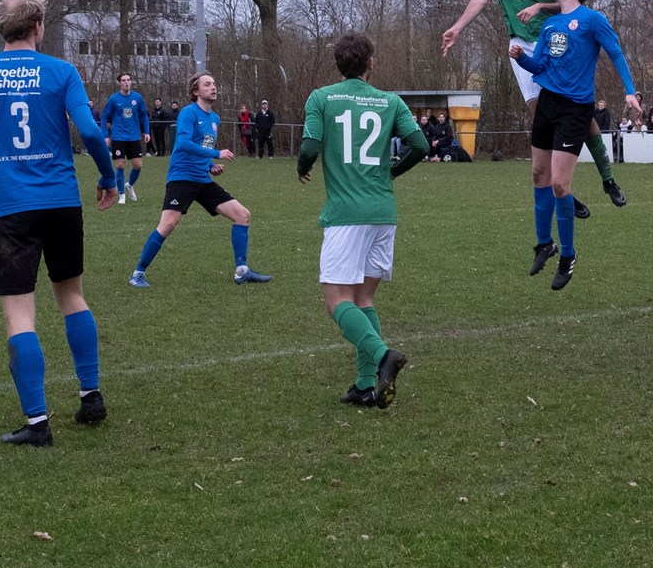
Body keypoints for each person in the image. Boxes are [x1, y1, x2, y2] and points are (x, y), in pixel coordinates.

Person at [0, 0, 117, 446]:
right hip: (62, 201)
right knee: (72, 296)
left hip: (13, 208)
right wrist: (108, 177)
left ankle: (38, 423)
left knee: (19, 312)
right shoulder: (62, 71)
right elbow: (87, 130)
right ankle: (90, 397)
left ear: (1, 27)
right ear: (39, 26)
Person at [441, 0, 626, 216]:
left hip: (554, 42)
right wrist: (457, 28)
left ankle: (608, 179)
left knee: (582, 114)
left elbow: (567, 4)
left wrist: (540, 6)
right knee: (540, 115)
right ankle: (563, 191)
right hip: (521, 47)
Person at [297, 33, 431, 408]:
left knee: (336, 301)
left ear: (338, 64)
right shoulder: (390, 101)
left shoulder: (322, 97)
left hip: (346, 215)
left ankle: (383, 354)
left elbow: (309, 147)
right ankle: (363, 385)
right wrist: (392, 173)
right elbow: (419, 146)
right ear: (371, 62)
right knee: (363, 297)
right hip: (383, 213)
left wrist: (302, 167)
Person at [510, 0, 641, 291]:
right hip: (548, 103)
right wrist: (519, 58)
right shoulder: (549, 24)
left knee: (559, 184)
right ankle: (545, 244)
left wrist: (629, 89)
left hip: (575, 110)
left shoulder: (592, 20)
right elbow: (539, 64)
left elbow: (616, 54)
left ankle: (568, 255)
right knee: (539, 177)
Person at [129, 73, 272, 288]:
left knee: (242, 215)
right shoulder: (188, 113)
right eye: (207, 84)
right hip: (182, 178)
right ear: (196, 91)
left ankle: (242, 272)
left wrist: (210, 166)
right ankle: (137, 274)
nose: (213, 87)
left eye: (214, 84)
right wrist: (217, 153)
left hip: (202, 179)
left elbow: (201, 149)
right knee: (168, 224)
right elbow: (184, 143)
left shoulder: (214, 118)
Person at [101, 73, 151, 205]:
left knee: (138, 165)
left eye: (128, 80)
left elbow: (144, 115)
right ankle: (121, 195)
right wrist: (105, 135)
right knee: (120, 165)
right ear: (119, 83)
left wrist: (146, 132)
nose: (126, 82)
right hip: (118, 137)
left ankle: (129, 185)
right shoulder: (113, 99)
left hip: (134, 136)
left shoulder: (137, 98)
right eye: (123, 80)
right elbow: (105, 116)